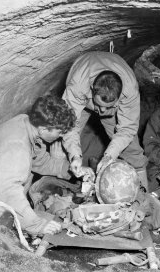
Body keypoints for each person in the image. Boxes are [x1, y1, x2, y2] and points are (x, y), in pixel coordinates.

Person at [0, 95, 79, 236]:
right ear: (44, 130)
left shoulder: (26, 124)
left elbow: (40, 162)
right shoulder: (18, 146)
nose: (60, 136)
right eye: (59, 132)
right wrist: (37, 225)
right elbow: (6, 189)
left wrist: (70, 169)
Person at [62, 51, 148, 189]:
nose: (101, 111)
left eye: (107, 107)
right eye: (99, 105)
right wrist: (75, 156)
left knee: (132, 151)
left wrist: (109, 156)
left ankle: (145, 196)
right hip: (82, 100)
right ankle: (59, 191)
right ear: (92, 90)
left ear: (119, 97)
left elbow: (127, 129)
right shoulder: (77, 84)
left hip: (113, 104)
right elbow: (68, 125)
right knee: (61, 148)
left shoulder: (130, 89)